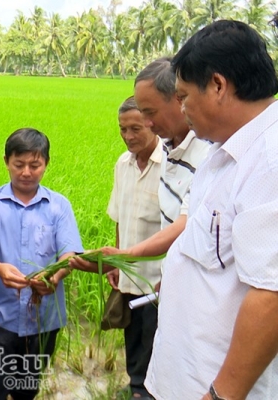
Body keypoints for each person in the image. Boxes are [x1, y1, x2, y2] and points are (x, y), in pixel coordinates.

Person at [144, 20, 278, 399]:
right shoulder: (223, 152)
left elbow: (272, 294)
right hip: (182, 377)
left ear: (218, 86)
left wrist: (223, 394)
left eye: (184, 96)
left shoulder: (270, 160)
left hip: (214, 388)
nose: (182, 108)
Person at [0, 128, 83, 400]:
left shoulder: (59, 206)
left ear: (46, 164)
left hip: (43, 319)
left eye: (35, 165)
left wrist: (54, 276)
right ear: (6, 162)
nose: (26, 172)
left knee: (27, 389)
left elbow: (69, 254)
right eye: (18, 164)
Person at [71, 58, 210, 274]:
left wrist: (124, 257)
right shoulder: (167, 148)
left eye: (150, 113)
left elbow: (187, 222)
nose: (147, 124)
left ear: (178, 99)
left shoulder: (208, 152)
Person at [102, 97, 163, 400]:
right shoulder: (122, 164)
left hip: (158, 276)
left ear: (152, 125)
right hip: (129, 271)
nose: (128, 136)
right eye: (122, 129)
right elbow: (119, 217)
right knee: (133, 330)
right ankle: (135, 384)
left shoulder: (170, 166)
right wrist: (116, 260)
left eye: (135, 128)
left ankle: (147, 389)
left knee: (155, 335)